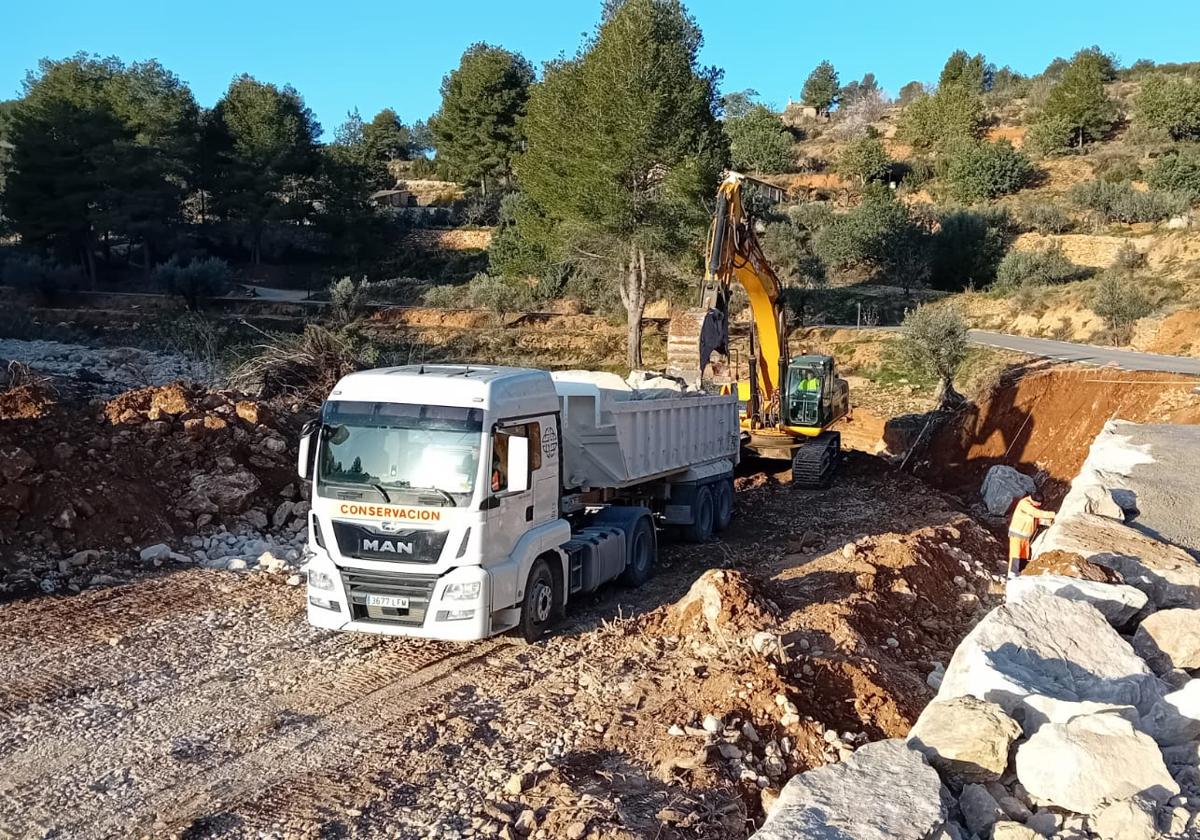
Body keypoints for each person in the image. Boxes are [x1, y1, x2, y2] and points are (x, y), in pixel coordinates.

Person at [1008, 492, 1056, 578]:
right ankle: (1012, 575)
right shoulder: (1024, 503)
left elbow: (1035, 519)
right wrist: (1052, 514)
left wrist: (1047, 522)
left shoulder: (1033, 506)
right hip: (1017, 534)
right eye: (1039, 503)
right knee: (1015, 555)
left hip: (1025, 536)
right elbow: (1035, 513)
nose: (1039, 505)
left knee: (1024, 556)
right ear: (1034, 500)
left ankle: (1020, 573)